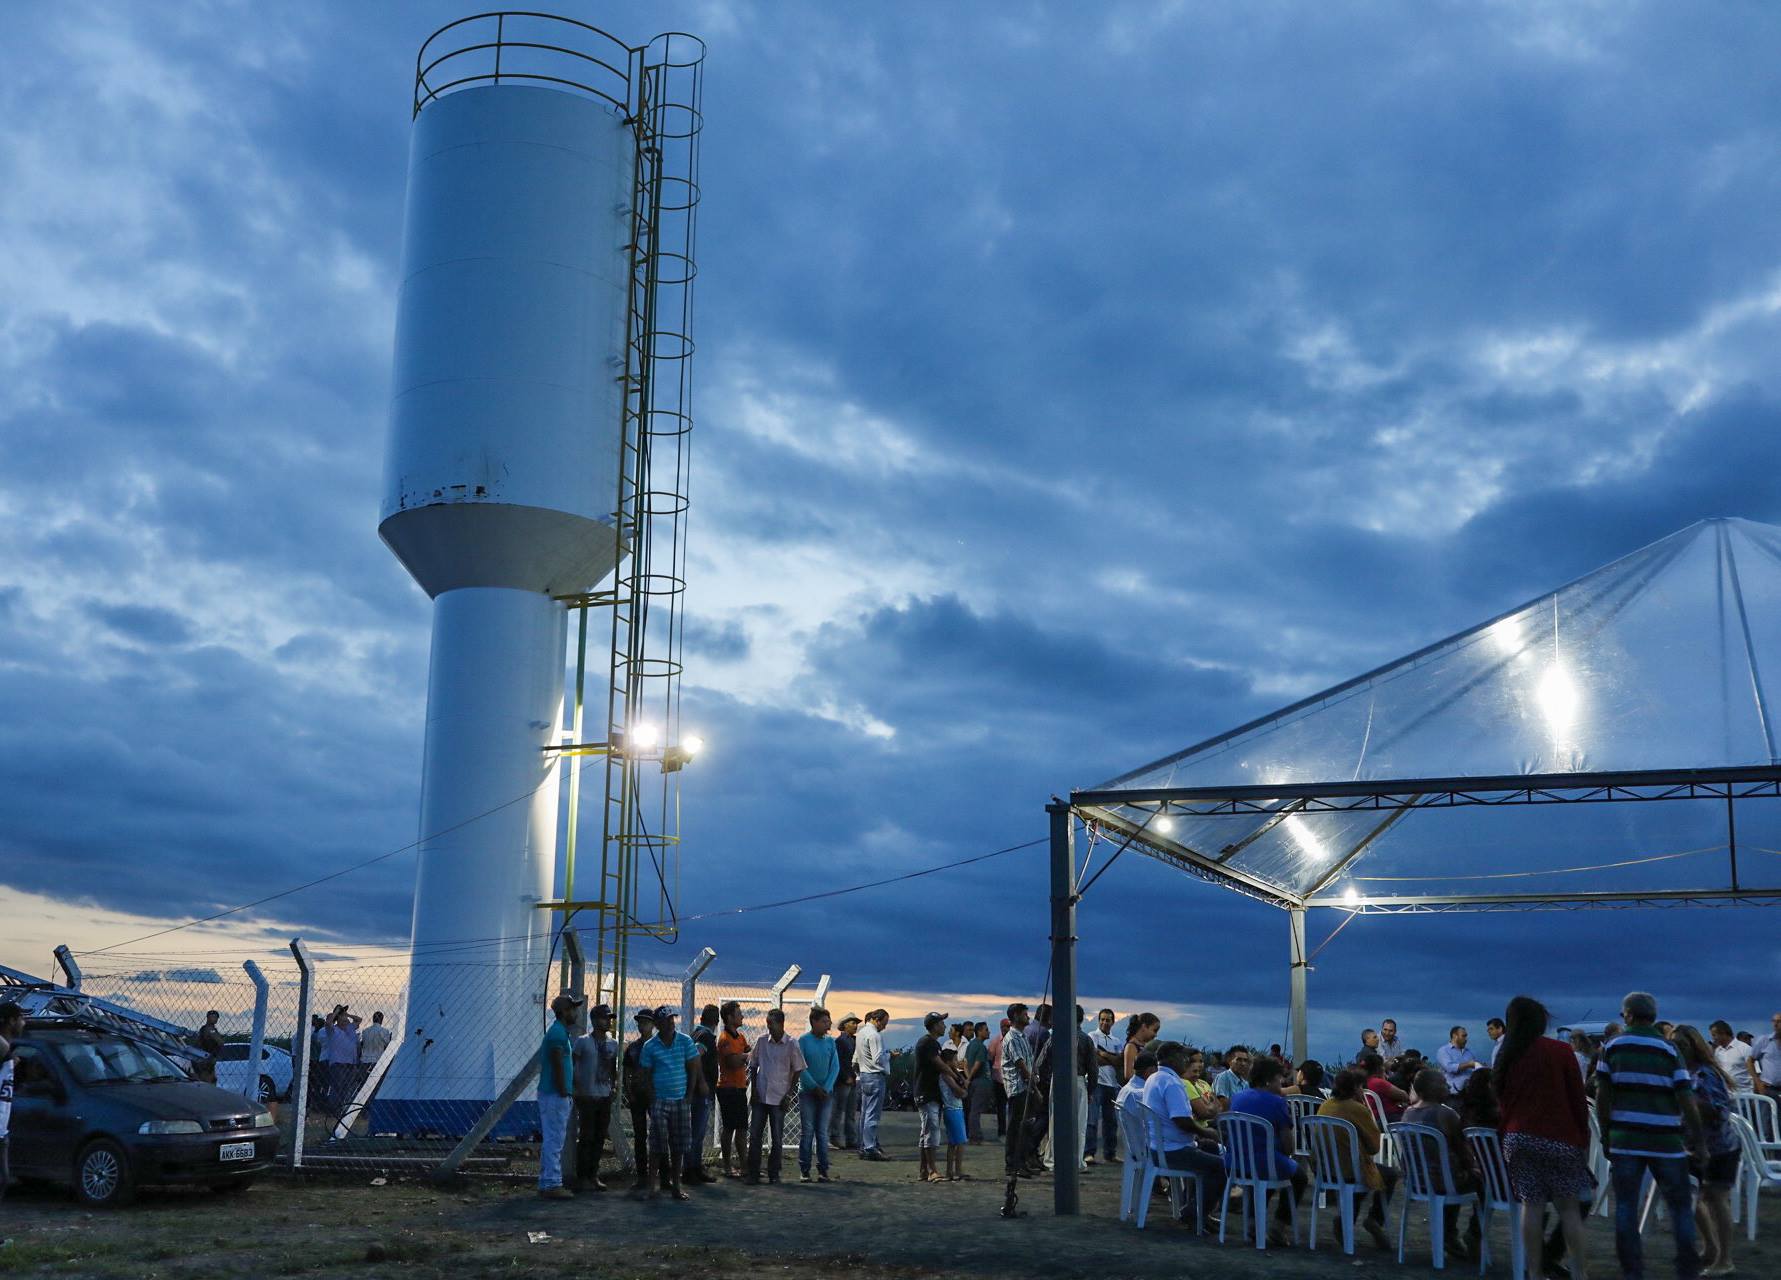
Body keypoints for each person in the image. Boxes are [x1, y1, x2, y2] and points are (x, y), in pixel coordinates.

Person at [1595, 991, 1702, 1280]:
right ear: (1652, 1017)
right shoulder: (1668, 1050)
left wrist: (1606, 1135)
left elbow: (1603, 1096)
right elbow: (1686, 1100)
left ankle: (1633, 1271)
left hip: (1626, 1140)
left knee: (1627, 1206)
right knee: (1680, 1207)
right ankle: (1686, 1269)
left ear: (1628, 1015)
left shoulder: (1613, 1047)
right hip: (1666, 1142)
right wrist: (1698, 1140)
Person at [1492, 996, 1592, 1280]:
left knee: (1531, 1206)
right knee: (1569, 1209)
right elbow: (1577, 1099)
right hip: (1559, 1136)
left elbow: (1501, 1097)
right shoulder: (1560, 1051)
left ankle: (1534, 1272)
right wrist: (1582, 1138)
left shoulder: (1507, 1053)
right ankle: (1579, 1273)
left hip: (1518, 1137)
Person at [1673, 1025, 1740, 1278]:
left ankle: (1725, 1258)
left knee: (1716, 1199)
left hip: (1719, 1146)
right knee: (1695, 1197)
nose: (1678, 1050)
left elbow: (1718, 1111)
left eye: (1682, 1046)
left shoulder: (1706, 1074)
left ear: (1693, 1047)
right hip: (1692, 1146)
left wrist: (1688, 1101)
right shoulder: (1683, 1073)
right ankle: (1711, 1248)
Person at [1143, 1041, 1227, 1231]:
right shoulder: (1172, 1083)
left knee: (1210, 1149)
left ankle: (1199, 1211)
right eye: (1185, 1059)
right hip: (1173, 1151)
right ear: (1175, 1059)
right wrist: (1206, 1131)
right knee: (1220, 1167)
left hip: (1159, 1147)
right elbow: (1182, 1120)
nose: (1187, 1062)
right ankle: (1193, 1213)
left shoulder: (1154, 1078)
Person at [1401, 1067, 1484, 1260]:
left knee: (1452, 1173)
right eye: (1442, 1083)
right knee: (1484, 1182)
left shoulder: (1407, 1114)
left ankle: (1449, 1235)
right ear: (1430, 1088)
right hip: (1443, 1183)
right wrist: (1474, 1166)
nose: (1446, 1085)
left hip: (1416, 1181)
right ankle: (1473, 1232)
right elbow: (1463, 1150)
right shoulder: (1446, 1114)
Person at [1226, 1055, 1305, 1247]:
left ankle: (1253, 1221)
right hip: (1264, 1163)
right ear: (1269, 1080)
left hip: (1234, 1162)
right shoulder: (1277, 1102)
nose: (1282, 1083)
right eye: (1280, 1079)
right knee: (1298, 1176)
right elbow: (1288, 1147)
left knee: (1265, 1170)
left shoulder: (1237, 1098)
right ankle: (1279, 1224)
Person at [1318, 1068, 1395, 1249]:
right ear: (1356, 1088)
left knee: (1362, 1180)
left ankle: (1345, 1222)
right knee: (1389, 1175)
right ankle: (1375, 1219)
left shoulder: (1325, 1105)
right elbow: (1374, 1147)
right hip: (1351, 1171)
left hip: (1326, 1170)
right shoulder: (1357, 1109)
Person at [638, 1005, 703, 1202]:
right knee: (657, 1145)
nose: (670, 1023)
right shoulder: (650, 1046)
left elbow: (693, 1067)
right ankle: (652, 1187)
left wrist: (689, 1095)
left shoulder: (684, 1041)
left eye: (672, 1019)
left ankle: (676, 1185)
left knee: (678, 1145)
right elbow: (645, 1075)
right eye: (666, 1020)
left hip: (680, 1100)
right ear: (658, 1024)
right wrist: (653, 1098)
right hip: (660, 1101)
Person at [747, 1007, 806, 1184]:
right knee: (755, 1135)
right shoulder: (762, 1041)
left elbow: (798, 1070)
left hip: (779, 1096)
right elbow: (753, 1065)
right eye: (767, 1024)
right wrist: (755, 1089)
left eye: (771, 1024)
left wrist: (789, 1095)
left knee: (777, 1137)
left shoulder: (791, 1044)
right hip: (762, 1094)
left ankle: (774, 1173)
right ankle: (753, 1173)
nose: (769, 1028)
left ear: (781, 1024)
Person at [536, 992, 579, 1200]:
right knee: (555, 1139)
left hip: (551, 1093)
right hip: (555, 1094)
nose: (575, 1012)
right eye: (572, 1009)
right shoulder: (558, 1035)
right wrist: (564, 1090)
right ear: (564, 1012)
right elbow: (557, 1064)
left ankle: (547, 1181)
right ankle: (552, 1183)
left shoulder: (558, 1032)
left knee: (552, 1139)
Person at [571, 1001, 617, 1191]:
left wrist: (613, 1088)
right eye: (605, 1018)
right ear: (595, 1020)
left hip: (603, 1095)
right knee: (587, 1136)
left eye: (609, 1018)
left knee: (599, 1136)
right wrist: (575, 1088)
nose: (608, 1022)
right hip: (586, 1095)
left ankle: (593, 1174)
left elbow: (613, 1069)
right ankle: (582, 1176)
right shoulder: (583, 1042)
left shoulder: (612, 1043)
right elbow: (573, 1065)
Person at [797, 1005, 839, 1183]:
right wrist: (814, 1087)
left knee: (822, 1132)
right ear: (814, 1022)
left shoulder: (830, 1042)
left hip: (826, 1094)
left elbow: (835, 1066)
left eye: (828, 1021)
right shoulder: (803, 1041)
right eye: (824, 1021)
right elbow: (800, 1067)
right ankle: (804, 1169)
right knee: (807, 1131)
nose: (828, 1024)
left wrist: (827, 1088)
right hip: (807, 1092)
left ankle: (823, 1170)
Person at [913, 1011, 951, 1184]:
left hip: (927, 1092)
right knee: (932, 1131)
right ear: (934, 1025)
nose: (944, 1026)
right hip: (927, 1092)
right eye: (941, 1023)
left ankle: (924, 1169)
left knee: (926, 1131)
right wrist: (958, 1078)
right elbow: (941, 1065)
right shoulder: (929, 1043)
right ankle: (932, 1170)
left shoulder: (929, 1042)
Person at [714, 1001, 751, 1177]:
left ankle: (744, 1166)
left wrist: (744, 1056)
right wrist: (745, 1056)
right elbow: (733, 1062)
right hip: (728, 1089)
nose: (742, 1016)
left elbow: (749, 1054)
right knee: (729, 1127)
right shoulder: (724, 1039)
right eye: (739, 1013)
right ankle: (727, 1165)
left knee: (742, 1128)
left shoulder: (740, 1037)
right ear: (729, 1017)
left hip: (740, 1087)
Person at [1001, 1002, 1037, 1177]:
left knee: (1026, 1126)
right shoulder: (1012, 1037)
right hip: (1017, 1087)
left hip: (1025, 1086)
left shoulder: (1022, 1036)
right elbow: (1020, 1063)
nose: (1027, 1017)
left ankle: (1021, 1161)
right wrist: (1032, 1082)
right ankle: (1012, 1164)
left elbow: (1029, 1061)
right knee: (1016, 1127)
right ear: (1015, 1016)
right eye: (1024, 1014)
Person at [685, 1004, 720, 1185]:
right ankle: (692, 1169)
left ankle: (693, 1167)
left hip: (696, 1089)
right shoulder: (705, 1036)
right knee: (697, 1132)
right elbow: (696, 1056)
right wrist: (701, 1082)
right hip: (701, 1091)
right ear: (717, 1021)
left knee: (695, 1132)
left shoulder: (695, 1033)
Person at [622, 1009, 656, 1190]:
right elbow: (627, 1072)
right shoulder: (634, 1048)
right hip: (638, 1096)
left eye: (646, 1022)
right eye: (640, 1022)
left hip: (654, 1095)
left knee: (658, 1135)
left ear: (653, 1025)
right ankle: (642, 1175)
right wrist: (630, 1093)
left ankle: (658, 1173)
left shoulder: (658, 1046)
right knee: (640, 1136)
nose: (642, 1025)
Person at [1087, 1007, 1120, 1164]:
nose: (1104, 1022)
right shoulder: (1092, 1036)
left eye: (1108, 1020)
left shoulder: (1117, 1041)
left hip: (1112, 1083)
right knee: (1092, 1119)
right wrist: (1110, 1058)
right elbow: (1093, 1059)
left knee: (1111, 1121)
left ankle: (1110, 1153)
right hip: (1097, 1082)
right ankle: (1089, 1153)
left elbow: (1119, 1062)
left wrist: (1103, 1053)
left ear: (1112, 1022)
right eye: (1102, 1019)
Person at [855, 1009, 888, 1160]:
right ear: (878, 1020)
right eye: (884, 1023)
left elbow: (856, 1058)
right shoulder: (875, 1035)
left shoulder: (861, 1033)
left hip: (864, 1074)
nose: (884, 1027)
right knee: (872, 1114)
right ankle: (870, 1147)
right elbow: (878, 1058)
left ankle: (863, 1145)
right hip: (875, 1076)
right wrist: (888, 1058)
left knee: (864, 1113)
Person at [0, 1001, 24, 1207]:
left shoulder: (7, 1052)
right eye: (21, 1019)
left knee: (3, 1180)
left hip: (2, 1128)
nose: (24, 1023)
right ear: (11, 1021)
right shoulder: (2, 1048)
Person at [323, 1005, 361, 1116]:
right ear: (337, 1021)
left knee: (346, 1088)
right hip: (338, 1064)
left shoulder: (350, 1029)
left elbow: (359, 1019)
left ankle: (341, 1110)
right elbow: (328, 1022)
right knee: (337, 1088)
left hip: (350, 1064)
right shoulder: (333, 1030)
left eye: (347, 1020)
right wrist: (336, 1013)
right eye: (343, 1019)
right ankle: (333, 1111)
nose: (346, 1021)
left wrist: (346, 1014)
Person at [830, 1013, 860, 1151]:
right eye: (852, 1023)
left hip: (853, 1079)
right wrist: (845, 1076)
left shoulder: (855, 1040)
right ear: (844, 1025)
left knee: (851, 1112)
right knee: (838, 1110)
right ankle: (834, 1137)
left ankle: (851, 1139)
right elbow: (839, 1062)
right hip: (843, 1081)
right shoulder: (840, 1042)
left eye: (856, 1023)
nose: (855, 1025)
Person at [940, 1046, 969, 1180]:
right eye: (954, 1059)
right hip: (952, 1109)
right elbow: (958, 1090)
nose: (956, 1062)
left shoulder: (951, 1074)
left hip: (955, 1108)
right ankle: (957, 1170)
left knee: (954, 1143)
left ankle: (951, 1171)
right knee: (959, 1142)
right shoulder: (945, 1075)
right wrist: (964, 1092)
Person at [964, 1021, 993, 1143]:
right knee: (975, 1110)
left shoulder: (971, 1045)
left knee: (973, 1109)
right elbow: (977, 1064)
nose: (988, 1032)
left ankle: (973, 1134)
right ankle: (975, 1136)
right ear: (979, 1031)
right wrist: (969, 1078)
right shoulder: (981, 1046)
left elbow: (965, 1062)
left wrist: (967, 1078)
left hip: (973, 1081)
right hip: (980, 1081)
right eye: (986, 1030)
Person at [1709, 1020, 1755, 1093]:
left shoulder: (1744, 1048)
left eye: (1714, 1035)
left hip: (1745, 1094)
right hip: (1726, 1095)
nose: (1713, 1038)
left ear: (1723, 1033)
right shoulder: (1718, 1051)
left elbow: (1754, 1074)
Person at [1361, 1051, 1408, 1122]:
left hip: (1377, 1118)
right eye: (1382, 1066)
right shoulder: (1378, 1083)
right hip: (1389, 1118)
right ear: (1378, 1068)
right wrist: (1383, 1079)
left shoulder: (1366, 1081)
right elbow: (1404, 1096)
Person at [1437, 1025, 1482, 1094]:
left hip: (1469, 1092)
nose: (1466, 1038)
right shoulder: (1443, 1051)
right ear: (1455, 1036)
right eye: (1463, 1036)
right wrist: (1469, 1064)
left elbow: (1475, 1069)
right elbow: (1449, 1068)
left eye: (1466, 1036)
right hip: (1452, 1094)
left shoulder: (1469, 1052)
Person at [1122, 1012, 1161, 1083]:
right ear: (1144, 1027)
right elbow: (1128, 1074)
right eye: (1154, 1030)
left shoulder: (1144, 1046)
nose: (1155, 1035)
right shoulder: (1131, 1046)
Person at [987, 1017, 1010, 1137]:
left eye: (1008, 1026)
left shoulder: (1014, 1040)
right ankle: (1002, 1131)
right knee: (1001, 1107)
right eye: (1005, 1026)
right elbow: (990, 1058)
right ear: (1001, 1027)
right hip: (999, 1079)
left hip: (1011, 1078)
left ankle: (1011, 1130)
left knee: (1012, 1106)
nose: (1007, 1029)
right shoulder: (995, 1041)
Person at [1753, 1011, 1781, 1097]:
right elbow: (1749, 1061)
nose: (1775, 1024)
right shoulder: (1764, 1041)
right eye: (1773, 1021)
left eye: (1779, 1021)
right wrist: (1757, 1082)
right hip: (1769, 1089)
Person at [193, 1010, 224, 1084]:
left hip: (205, 1060)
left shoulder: (205, 1029)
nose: (214, 1019)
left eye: (216, 1017)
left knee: (209, 1080)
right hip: (206, 1060)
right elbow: (220, 1042)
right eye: (212, 1017)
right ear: (208, 1018)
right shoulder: (209, 1029)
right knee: (208, 1082)